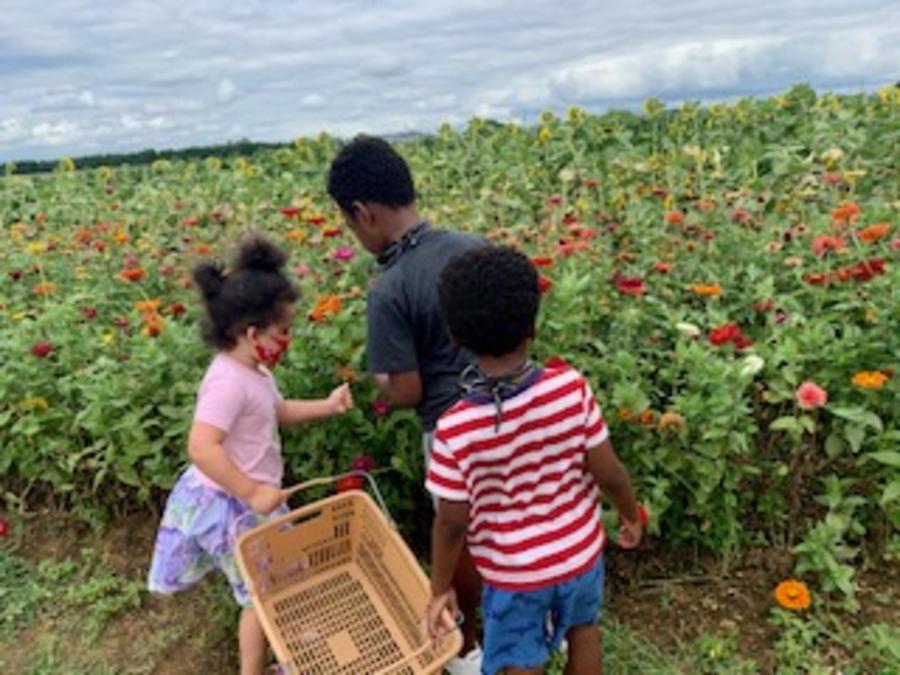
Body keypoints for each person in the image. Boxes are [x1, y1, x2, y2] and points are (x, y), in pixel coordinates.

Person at [425, 245, 642, 675]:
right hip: (581, 553)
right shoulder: (571, 389)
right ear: (533, 325)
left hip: (515, 577)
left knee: (521, 658)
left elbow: (451, 523)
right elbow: (610, 472)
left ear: (455, 337)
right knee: (584, 630)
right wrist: (630, 514)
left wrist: (439, 588)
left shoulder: (455, 430)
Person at [148, 236, 353, 675]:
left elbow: (278, 411)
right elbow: (202, 447)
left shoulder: (254, 371)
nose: (289, 340)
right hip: (230, 504)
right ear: (252, 333)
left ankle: (286, 642)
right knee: (260, 597)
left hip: (253, 497)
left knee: (273, 585)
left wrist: (327, 405)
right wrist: (251, 490)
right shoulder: (226, 382)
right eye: (284, 331)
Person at [327, 135, 486, 673]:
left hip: (450, 431)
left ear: (362, 213)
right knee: (512, 522)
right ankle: (539, 621)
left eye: (350, 224)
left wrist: (378, 377)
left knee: (459, 532)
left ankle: (466, 648)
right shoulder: (475, 247)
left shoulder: (390, 287)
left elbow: (407, 389)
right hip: (511, 409)